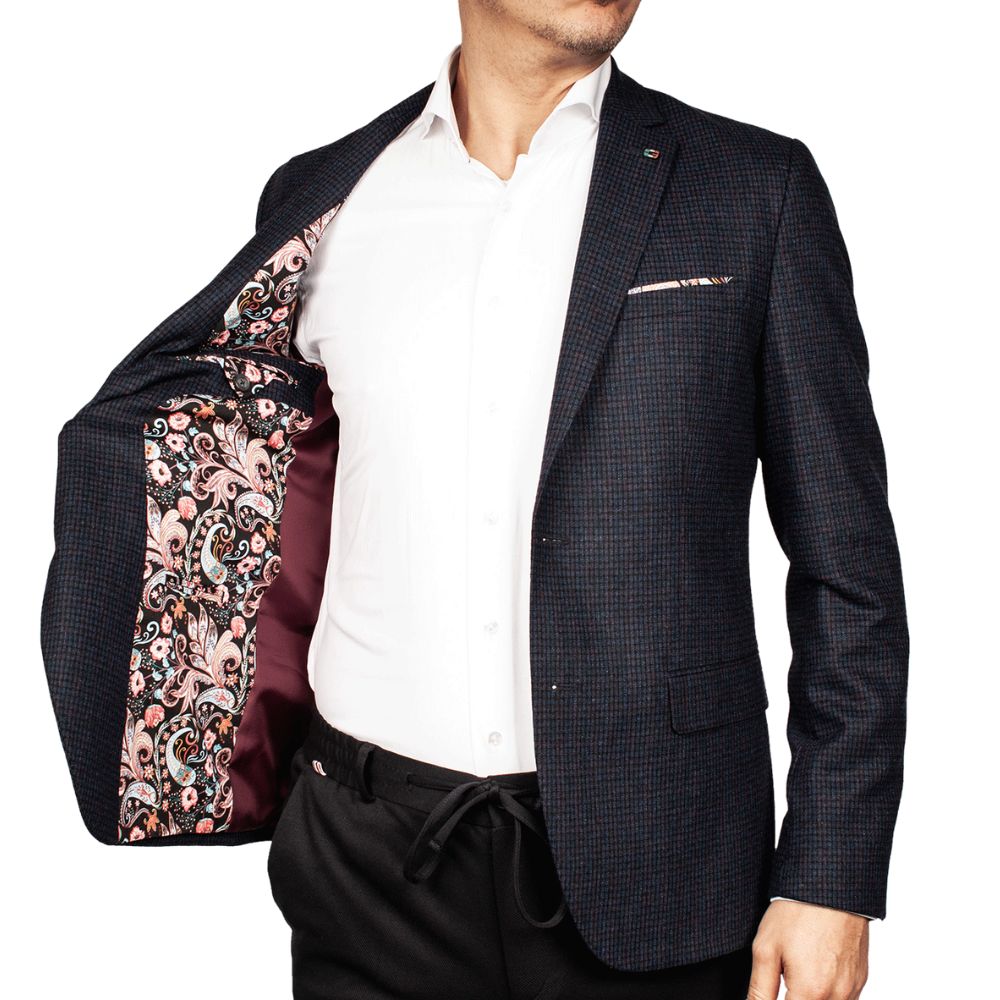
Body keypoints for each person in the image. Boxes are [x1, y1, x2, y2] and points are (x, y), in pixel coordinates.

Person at [40, 2, 908, 998]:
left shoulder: (753, 189)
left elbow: (848, 568)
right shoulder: (324, 195)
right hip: (363, 865)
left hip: (662, 856)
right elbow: (256, 466)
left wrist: (830, 875)